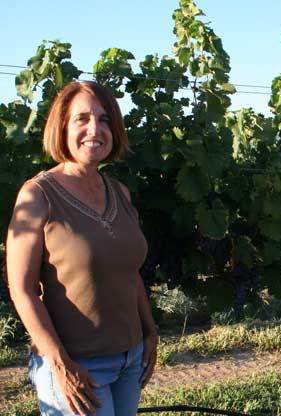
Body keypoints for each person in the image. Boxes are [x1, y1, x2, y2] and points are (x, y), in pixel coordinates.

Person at [6, 81, 158, 416]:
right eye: (82, 119)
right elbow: (22, 290)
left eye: (104, 120)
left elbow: (130, 274)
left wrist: (150, 332)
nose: (95, 129)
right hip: (77, 366)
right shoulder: (37, 196)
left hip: (129, 361)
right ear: (62, 127)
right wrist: (60, 364)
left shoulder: (119, 192)